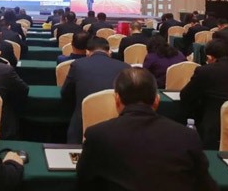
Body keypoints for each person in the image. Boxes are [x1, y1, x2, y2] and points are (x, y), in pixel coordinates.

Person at [77, 68, 217, 191]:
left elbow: (84, 179)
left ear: (117, 100)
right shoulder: (187, 136)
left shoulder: (98, 135)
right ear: (156, 101)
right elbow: (205, 186)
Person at [61, 36, 130, 143]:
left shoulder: (78, 65)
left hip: (82, 128)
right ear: (109, 52)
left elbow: (65, 93)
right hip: (119, 127)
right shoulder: (126, 67)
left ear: (87, 52)